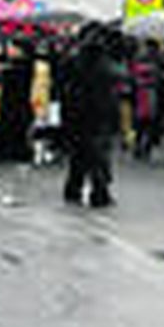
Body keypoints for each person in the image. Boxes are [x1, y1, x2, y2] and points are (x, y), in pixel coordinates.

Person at [59, 26, 125, 207]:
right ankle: (99, 193)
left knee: (78, 155)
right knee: (98, 156)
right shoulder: (105, 65)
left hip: (77, 113)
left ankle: (73, 189)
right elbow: (119, 78)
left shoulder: (73, 61)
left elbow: (62, 83)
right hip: (98, 115)